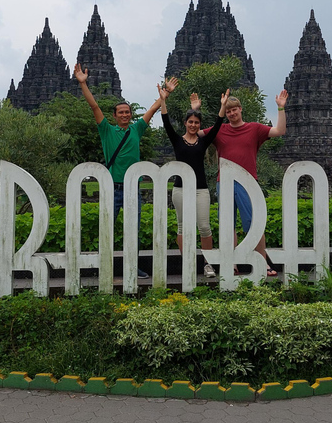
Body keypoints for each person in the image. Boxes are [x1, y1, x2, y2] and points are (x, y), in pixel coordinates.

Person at [74, 62, 161, 279]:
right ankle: (107, 266)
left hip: (133, 188)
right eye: (121, 112)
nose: (124, 115)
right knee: (108, 229)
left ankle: (133, 266)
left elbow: (152, 110)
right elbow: (94, 107)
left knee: (134, 230)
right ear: (114, 116)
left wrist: (165, 94)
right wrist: (83, 84)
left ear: (131, 115)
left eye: (127, 112)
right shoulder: (106, 131)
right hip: (112, 188)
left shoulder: (137, 129)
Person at [195, 89, 288, 276]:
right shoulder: (220, 130)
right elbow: (196, 133)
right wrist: (196, 110)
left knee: (254, 223)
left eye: (234, 110)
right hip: (226, 182)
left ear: (240, 109)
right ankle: (232, 264)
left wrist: (280, 109)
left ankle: (263, 262)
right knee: (228, 225)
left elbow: (280, 131)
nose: (232, 113)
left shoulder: (255, 128)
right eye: (228, 111)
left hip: (248, 183)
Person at [158, 78, 228, 278]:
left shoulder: (203, 142)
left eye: (196, 123)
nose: (193, 125)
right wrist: (163, 100)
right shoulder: (177, 140)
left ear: (199, 125)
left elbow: (217, 126)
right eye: (190, 122)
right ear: (185, 123)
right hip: (180, 189)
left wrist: (222, 107)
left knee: (204, 227)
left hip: (200, 189)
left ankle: (208, 264)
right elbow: (165, 121)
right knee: (182, 226)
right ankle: (187, 261)